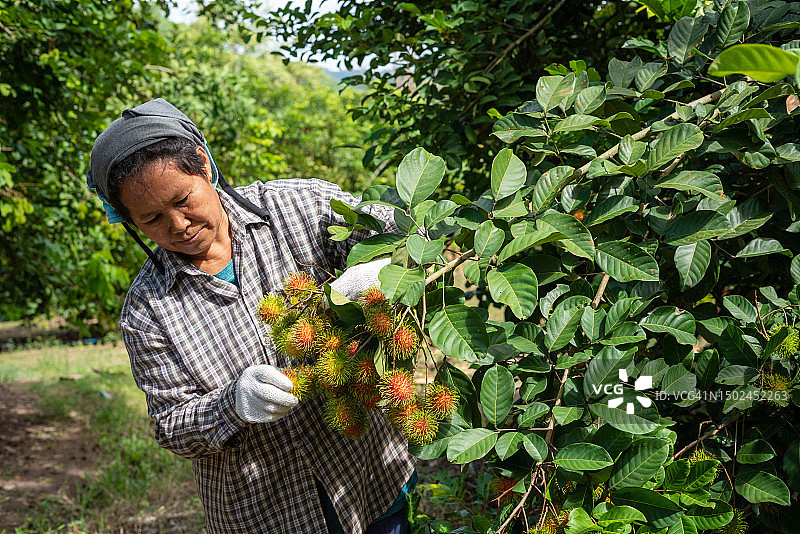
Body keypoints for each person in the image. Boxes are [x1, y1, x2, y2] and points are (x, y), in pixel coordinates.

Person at [87, 98, 417, 533]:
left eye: (183, 199)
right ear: (127, 220)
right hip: (265, 514)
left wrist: (383, 269)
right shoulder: (147, 310)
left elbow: (403, 230)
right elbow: (170, 425)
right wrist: (233, 404)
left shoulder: (299, 206)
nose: (179, 224)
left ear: (204, 165)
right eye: (151, 219)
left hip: (368, 477)